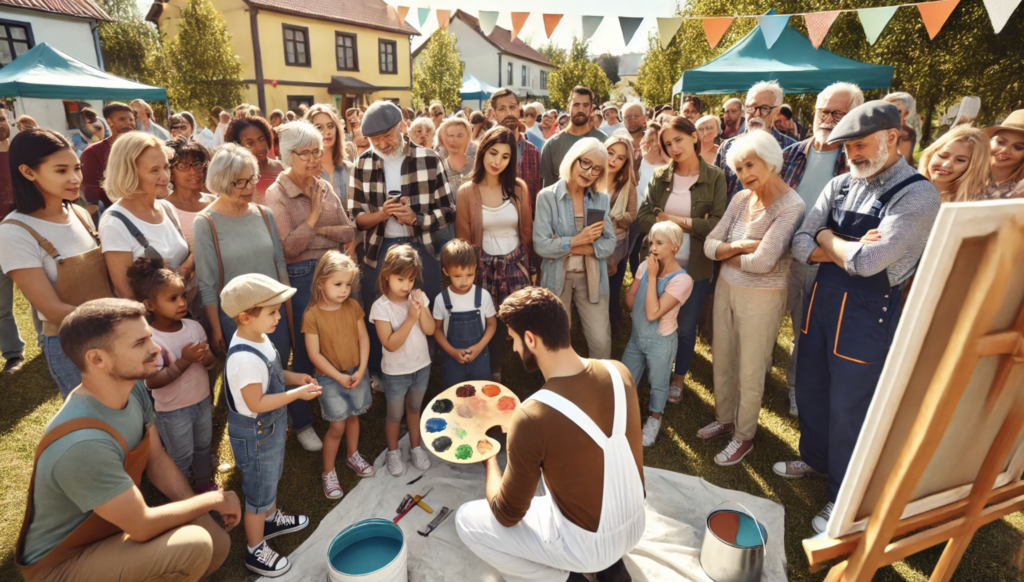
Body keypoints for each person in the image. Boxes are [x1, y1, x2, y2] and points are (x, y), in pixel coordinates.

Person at [776, 101, 940, 533]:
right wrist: (844, 246)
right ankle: (814, 459)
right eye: (847, 148)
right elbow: (799, 244)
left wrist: (827, 237)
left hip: (866, 318)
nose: (853, 156)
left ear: (892, 136)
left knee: (850, 408)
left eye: (861, 145)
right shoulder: (843, 183)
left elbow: (870, 263)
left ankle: (842, 496)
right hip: (820, 305)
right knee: (811, 387)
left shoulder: (919, 194)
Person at [13, 299, 234, 582]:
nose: (155, 349)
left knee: (216, 545)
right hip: (61, 565)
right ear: (97, 359)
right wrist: (212, 500)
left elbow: (156, 460)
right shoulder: (83, 444)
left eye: (149, 338)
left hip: (111, 529)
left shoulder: (132, 390)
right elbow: (142, 525)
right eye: (139, 343)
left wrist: (197, 509)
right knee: (193, 546)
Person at [456, 286, 643, 582]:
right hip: (634, 526)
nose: (516, 350)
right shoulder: (619, 372)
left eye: (514, 341)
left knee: (465, 520)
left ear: (530, 339)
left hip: (587, 547)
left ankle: (570, 578)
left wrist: (490, 457)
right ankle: (611, 569)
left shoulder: (532, 415)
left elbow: (507, 514)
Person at [194, 143, 322, 452]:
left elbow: (279, 262)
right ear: (222, 183)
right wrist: (215, 329)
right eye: (241, 182)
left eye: (252, 178)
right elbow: (207, 284)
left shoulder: (264, 214)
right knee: (251, 377)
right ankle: (254, 437)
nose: (251, 186)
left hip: (274, 312)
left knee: (278, 367)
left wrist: (286, 309)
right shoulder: (206, 223)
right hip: (237, 319)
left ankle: (299, 422)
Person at [698, 131, 805, 466]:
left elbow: (763, 263)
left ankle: (743, 437)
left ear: (770, 159)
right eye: (739, 167)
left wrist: (725, 253)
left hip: (763, 298)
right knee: (723, 357)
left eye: (750, 164)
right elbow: (708, 244)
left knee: (751, 368)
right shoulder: (741, 199)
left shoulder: (791, 206)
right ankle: (725, 417)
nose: (744, 174)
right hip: (727, 289)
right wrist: (739, 248)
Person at [0, 130, 113, 397]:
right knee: (95, 425)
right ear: (28, 172)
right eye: (61, 171)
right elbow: (51, 309)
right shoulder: (14, 231)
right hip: (71, 345)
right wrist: (118, 323)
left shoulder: (80, 213)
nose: (75, 179)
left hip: (113, 333)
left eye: (77, 168)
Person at [349, 100, 455, 379]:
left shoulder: (430, 158)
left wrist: (415, 219)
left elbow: (449, 210)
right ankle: (379, 372)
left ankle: (425, 369)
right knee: (380, 312)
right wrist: (382, 214)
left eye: (386, 137)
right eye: (374, 140)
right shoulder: (361, 163)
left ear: (402, 127)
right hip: (378, 250)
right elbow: (356, 219)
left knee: (424, 307)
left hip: (421, 247)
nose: (381, 145)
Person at [220, 274, 315, 576]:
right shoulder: (243, 360)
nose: (278, 316)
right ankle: (254, 549)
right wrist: (296, 394)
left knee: (269, 479)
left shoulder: (259, 337)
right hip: (257, 432)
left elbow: (272, 372)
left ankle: (270, 519)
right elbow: (256, 403)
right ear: (246, 316)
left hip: (269, 429)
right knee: (258, 493)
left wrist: (294, 378)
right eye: (272, 311)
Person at [780, 81, 862, 416]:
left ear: (852, 116)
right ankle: (753, 382)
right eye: (822, 111)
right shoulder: (789, 155)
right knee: (767, 322)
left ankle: (796, 388)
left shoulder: (857, 165)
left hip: (823, 261)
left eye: (836, 113)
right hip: (779, 257)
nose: (826, 118)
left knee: (807, 331)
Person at [637, 117, 726, 404]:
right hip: (660, 266)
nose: (674, 148)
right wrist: (693, 223)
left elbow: (716, 226)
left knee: (686, 327)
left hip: (695, 267)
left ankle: (679, 378)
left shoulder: (715, 177)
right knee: (654, 320)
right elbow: (644, 218)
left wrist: (671, 220)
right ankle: (654, 370)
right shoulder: (660, 175)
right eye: (667, 143)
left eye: (679, 140)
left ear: (694, 137)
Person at [266, 121, 355, 379]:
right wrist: (314, 215)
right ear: (287, 155)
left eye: (317, 150)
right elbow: (290, 248)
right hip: (302, 275)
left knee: (337, 335)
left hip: (334, 271)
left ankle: (336, 391)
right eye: (304, 153)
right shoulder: (277, 192)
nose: (314, 158)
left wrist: (318, 231)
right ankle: (302, 414)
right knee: (307, 341)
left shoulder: (323, 185)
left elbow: (348, 231)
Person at [128, 257, 218, 492]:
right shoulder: (151, 340)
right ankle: (181, 495)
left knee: (202, 446)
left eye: (183, 296)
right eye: (172, 298)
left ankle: (204, 484)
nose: (181, 303)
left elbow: (210, 365)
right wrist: (186, 361)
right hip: (173, 411)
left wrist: (206, 358)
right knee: (180, 455)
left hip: (201, 401)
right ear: (150, 305)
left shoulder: (195, 327)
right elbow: (152, 381)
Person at [455, 126, 534, 382]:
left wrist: (532, 267)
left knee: (522, 317)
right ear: (482, 152)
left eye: (505, 156)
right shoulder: (467, 191)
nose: (497, 161)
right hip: (482, 266)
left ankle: (532, 367)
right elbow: (463, 241)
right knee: (489, 321)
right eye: (493, 153)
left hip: (515, 263)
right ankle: (494, 371)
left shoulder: (519, 189)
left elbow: (527, 232)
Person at [533, 137, 617, 360]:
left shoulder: (600, 199)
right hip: (556, 277)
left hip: (592, 278)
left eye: (597, 169)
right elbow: (541, 245)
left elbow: (610, 242)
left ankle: (600, 385)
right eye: (586, 163)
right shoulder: (547, 197)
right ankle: (558, 388)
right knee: (556, 340)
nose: (589, 172)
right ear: (573, 159)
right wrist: (577, 241)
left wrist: (585, 248)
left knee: (600, 340)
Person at [302, 251, 375, 499]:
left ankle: (352, 455)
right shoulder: (312, 316)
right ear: (321, 283)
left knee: (354, 417)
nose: (345, 290)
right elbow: (315, 355)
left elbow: (364, 338)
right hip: (330, 379)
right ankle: (328, 471)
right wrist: (338, 376)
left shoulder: (353, 307)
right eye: (338, 284)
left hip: (356, 373)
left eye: (348, 284)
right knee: (337, 426)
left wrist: (362, 369)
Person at [622, 221, 693, 446]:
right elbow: (630, 296)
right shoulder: (644, 267)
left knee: (658, 382)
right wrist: (638, 315)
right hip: (636, 337)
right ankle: (621, 417)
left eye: (659, 243)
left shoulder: (682, 280)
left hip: (661, 342)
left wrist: (653, 277)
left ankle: (654, 418)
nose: (652, 247)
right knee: (625, 379)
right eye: (651, 242)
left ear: (675, 246)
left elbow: (653, 313)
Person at [99, 132, 191, 301]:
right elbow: (127, 294)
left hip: (186, 315)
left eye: (165, 167)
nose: (165, 177)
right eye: (154, 170)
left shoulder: (167, 208)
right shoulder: (114, 223)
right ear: (129, 173)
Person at [370, 244, 435, 477]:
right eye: (401, 279)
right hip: (396, 372)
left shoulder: (419, 298)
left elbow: (429, 330)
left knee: (415, 409)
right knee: (395, 415)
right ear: (386, 275)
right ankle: (393, 451)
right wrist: (410, 317)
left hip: (421, 366)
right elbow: (390, 343)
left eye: (411, 280)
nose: (407, 286)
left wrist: (422, 309)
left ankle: (416, 447)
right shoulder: (381, 308)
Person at [716, 81, 798, 200]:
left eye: (764, 108)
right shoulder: (727, 147)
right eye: (751, 108)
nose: (756, 114)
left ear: (777, 112)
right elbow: (716, 192)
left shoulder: (792, 149)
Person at [433, 238, 497, 387]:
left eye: (469, 275)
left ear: (475, 268)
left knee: (482, 396)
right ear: (446, 271)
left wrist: (479, 347)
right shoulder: (442, 299)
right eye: (457, 276)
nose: (464, 281)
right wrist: (452, 351)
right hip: (452, 361)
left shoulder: (483, 296)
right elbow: (436, 329)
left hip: (479, 359)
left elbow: (492, 324)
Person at [602, 133, 638, 332]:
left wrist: (613, 218)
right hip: (590, 241)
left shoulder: (627, 186)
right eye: (610, 153)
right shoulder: (590, 179)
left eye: (620, 157)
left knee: (612, 290)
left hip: (616, 245)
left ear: (626, 162)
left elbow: (631, 217)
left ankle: (613, 322)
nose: (613, 160)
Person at [541, 86, 609, 188]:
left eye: (585, 105)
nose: (581, 109)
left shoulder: (604, 142)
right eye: (576, 104)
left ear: (591, 108)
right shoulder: (552, 145)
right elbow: (546, 189)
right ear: (569, 107)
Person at [489, 88, 543, 206]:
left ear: (519, 108)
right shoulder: (486, 150)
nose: (509, 113)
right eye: (502, 109)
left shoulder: (533, 152)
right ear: (494, 113)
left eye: (512, 107)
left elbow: (537, 195)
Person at [0, 102, 23, 374]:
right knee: (1, 304)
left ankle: (49, 341)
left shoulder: (21, 153)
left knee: (41, 293)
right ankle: (13, 353)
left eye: (2, 118)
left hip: (26, 232)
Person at [632, 122, 671, 277]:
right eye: (646, 141)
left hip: (655, 218)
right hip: (635, 215)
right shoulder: (637, 161)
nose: (647, 145)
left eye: (652, 141)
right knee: (634, 250)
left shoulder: (668, 167)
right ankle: (637, 279)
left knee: (651, 253)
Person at [81, 102, 136, 209]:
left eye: (131, 119)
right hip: (112, 210)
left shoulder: (144, 148)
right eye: (122, 119)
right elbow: (91, 195)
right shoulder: (93, 152)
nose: (129, 123)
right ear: (110, 122)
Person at [919, 126, 991, 203]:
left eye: (960, 160)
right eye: (942, 156)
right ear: (931, 155)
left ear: (974, 167)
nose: (946, 165)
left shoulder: (970, 205)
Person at [225, 115, 283, 205]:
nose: (259, 147)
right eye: (250, 143)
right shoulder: (232, 176)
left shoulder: (283, 168)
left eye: (262, 139)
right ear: (237, 145)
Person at [305, 104, 353, 208]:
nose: (327, 132)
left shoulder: (350, 169)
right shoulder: (305, 173)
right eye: (319, 127)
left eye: (330, 126)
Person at [981, 109, 1024, 199]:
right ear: (990, 141)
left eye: (1018, 147)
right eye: (1001, 142)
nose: (1005, 150)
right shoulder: (963, 178)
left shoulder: (1021, 191)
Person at [438, 117, 475, 194]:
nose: (454, 140)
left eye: (460, 136)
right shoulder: (439, 168)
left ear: (468, 138)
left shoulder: (478, 165)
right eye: (450, 135)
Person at [883, 92, 918, 166]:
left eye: (898, 112)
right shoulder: (880, 129)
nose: (891, 114)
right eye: (888, 110)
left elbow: (900, 162)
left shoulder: (906, 134)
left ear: (906, 113)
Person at [621, 102, 647, 174]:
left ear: (644, 118)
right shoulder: (617, 142)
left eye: (636, 116)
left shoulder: (653, 141)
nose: (632, 120)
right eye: (628, 116)